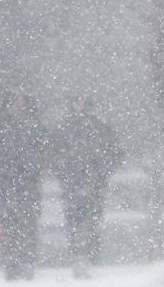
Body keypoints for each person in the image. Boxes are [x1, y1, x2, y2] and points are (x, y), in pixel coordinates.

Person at [51, 96, 123, 277]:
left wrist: (100, 172)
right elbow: (54, 155)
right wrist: (65, 173)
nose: (79, 106)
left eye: (83, 103)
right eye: (77, 102)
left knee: (93, 221)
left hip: (94, 184)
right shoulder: (64, 128)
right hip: (72, 184)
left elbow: (114, 154)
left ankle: (91, 258)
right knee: (73, 222)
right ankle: (77, 257)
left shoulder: (101, 128)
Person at [0, 93, 46, 280]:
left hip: (27, 187)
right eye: (14, 103)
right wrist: (4, 168)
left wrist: (27, 168)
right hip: (3, 187)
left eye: (21, 104)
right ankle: (11, 264)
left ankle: (27, 262)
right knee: (8, 227)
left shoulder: (33, 128)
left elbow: (42, 155)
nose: (18, 107)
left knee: (27, 227)